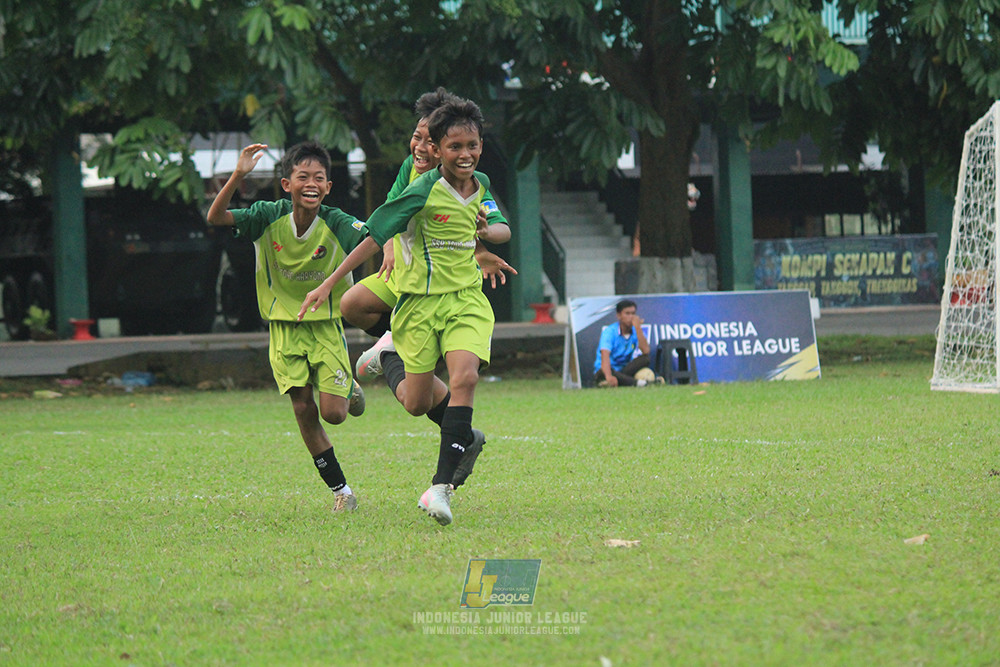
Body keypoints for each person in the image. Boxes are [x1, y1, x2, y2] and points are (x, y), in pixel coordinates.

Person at [299, 96, 500, 527]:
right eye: (450, 145)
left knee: (465, 377)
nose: (463, 154)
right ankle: (389, 352)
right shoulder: (419, 186)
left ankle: (440, 487)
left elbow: (494, 224)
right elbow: (376, 231)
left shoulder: (479, 181)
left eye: (472, 145)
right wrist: (330, 282)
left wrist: (486, 241)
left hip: (464, 298)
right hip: (416, 298)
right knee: (414, 401)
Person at [341, 87, 514, 491]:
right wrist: (384, 246)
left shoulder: (468, 178)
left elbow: (470, 221)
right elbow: (389, 214)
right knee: (351, 304)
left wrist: (480, 248)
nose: (418, 145)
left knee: (456, 381)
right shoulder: (414, 173)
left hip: (442, 287)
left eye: (425, 139)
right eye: (416, 137)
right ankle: (393, 344)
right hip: (406, 278)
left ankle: (444, 474)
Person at [206, 141, 367, 512]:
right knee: (301, 408)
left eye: (319, 179)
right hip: (283, 327)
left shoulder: (337, 221)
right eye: (302, 177)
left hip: (325, 325)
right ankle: (341, 492)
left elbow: (372, 238)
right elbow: (216, 218)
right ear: (286, 184)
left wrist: (383, 251)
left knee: (334, 414)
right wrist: (238, 175)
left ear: (328, 187)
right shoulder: (267, 216)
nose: (311, 184)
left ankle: (348, 386)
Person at [593, 299, 659, 387]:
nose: (631, 317)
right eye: (627, 313)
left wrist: (638, 328)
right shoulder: (610, 332)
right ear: (619, 316)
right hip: (607, 369)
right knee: (604, 373)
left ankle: (622, 381)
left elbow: (646, 351)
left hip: (624, 370)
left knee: (645, 359)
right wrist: (609, 377)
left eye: (633, 313)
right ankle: (640, 383)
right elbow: (605, 356)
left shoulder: (636, 331)